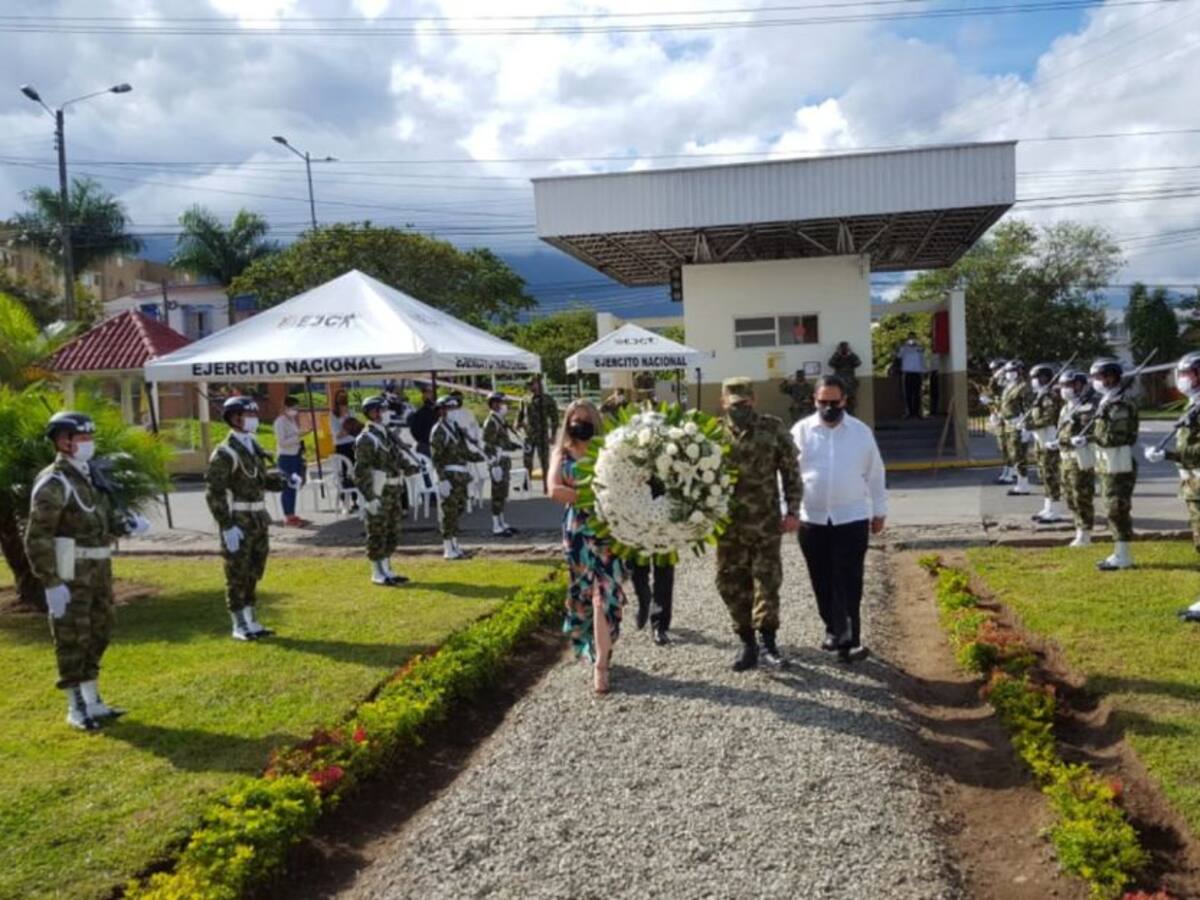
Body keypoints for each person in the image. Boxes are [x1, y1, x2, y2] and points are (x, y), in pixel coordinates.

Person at [24, 411, 151, 730]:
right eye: (82, 438)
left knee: (101, 627)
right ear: (63, 442)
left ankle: (93, 699)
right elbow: (37, 536)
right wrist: (50, 582)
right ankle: (75, 706)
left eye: (90, 438)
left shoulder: (90, 477)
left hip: (98, 566)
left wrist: (128, 525)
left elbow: (101, 520)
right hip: (70, 569)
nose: (89, 444)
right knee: (72, 634)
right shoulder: (54, 482)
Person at [791, 376, 886, 663]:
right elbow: (787, 474)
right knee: (821, 578)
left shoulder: (860, 432)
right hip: (813, 519)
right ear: (814, 401)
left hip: (852, 517)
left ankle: (849, 639)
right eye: (823, 402)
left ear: (845, 400)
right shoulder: (801, 431)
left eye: (834, 402)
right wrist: (788, 510)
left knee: (848, 579)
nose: (829, 407)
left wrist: (879, 510)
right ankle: (833, 630)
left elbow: (876, 473)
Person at [717, 377, 802, 671]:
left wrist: (792, 510)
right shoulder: (711, 435)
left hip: (765, 523)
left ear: (754, 400)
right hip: (727, 527)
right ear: (723, 402)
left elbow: (791, 471)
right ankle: (747, 644)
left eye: (745, 402)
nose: (740, 407)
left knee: (767, 582)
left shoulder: (772, 428)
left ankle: (768, 644)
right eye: (734, 403)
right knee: (730, 583)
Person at [206, 397, 301, 641]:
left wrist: (285, 481)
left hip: (258, 517)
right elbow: (214, 493)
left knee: (254, 570)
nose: (254, 419)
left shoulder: (252, 446)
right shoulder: (225, 453)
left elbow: (262, 481)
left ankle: (251, 619)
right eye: (248, 414)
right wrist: (226, 525)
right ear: (235, 418)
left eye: (253, 414)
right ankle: (238, 624)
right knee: (237, 572)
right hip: (238, 519)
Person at [548, 399, 626, 694]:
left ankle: (601, 667)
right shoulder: (561, 452)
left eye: (585, 418)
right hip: (578, 533)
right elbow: (553, 489)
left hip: (607, 531)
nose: (579, 423)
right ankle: (596, 650)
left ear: (595, 420)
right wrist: (592, 497)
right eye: (574, 418)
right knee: (584, 594)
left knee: (603, 597)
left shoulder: (608, 450)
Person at [1145, 352, 1200, 622]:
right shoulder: (1193, 404)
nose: (1182, 379)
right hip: (1194, 483)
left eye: (1187, 374)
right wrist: (1169, 455)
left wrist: (1170, 454)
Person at [354, 395, 420, 586]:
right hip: (378, 491)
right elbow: (361, 471)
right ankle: (376, 572)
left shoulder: (386, 435)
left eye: (385, 410)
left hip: (393, 490)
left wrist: (414, 469)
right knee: (377, 531)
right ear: (372, 413)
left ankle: (387, 569)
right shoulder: (367, 438)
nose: (385, 413)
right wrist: (369, 497)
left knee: (392, 531)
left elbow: (397, 459)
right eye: (381, 410)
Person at [1081, 358, 1139, 571]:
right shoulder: (1106, 401)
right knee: (1110, 508)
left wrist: (1090, 439)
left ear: (1111, 377)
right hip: (1108, 462)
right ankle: (1119, 552)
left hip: (1119, 462)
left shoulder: (1120, 404)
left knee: (1117, 508)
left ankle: (1123, 555)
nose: (1095, 381)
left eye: (1099, 377)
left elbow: (1117, 436)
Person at [431, 395, 485, 560]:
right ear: (441, 411)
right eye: (449, 408)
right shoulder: (439, 430)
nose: (453, 411)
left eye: (454, 407)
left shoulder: (456, 428)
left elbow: (465, 452)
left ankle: (455, 543)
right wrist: (441, 479)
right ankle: (448, 547)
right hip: (448, 475)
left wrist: (482, 457)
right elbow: (436, 457)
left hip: (461, 475)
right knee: (448, 511)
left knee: (459, 508)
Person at [1056, 370, 1098, 548]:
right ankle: (1078, 528)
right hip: (1065, 457)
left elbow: (1094, 432)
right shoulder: (1067, 406)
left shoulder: (1089, 406)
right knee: (1069, 495)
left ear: (1081, 386)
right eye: (1064, 386)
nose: (1066, 389)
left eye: (1071, 386)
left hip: (1079, 458)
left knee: (1081, 496)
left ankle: (1085, 533)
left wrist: (1083, 439)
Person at [1025, 363, 1066, 524]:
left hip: (1050, 438)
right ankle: (1048, 507)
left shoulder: (1050, 396)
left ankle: (1055, 510)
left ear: (1045, 378)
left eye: (1037, 378)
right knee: (1043, 474)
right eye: (1033, 378)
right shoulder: (1040, 395)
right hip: (1040, 439)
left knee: (1051, 475)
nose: (1034, 381)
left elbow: (1049, 418)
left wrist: (1030, 425)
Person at [482, 392, 523, 537]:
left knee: (503, 492)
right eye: (501, 402)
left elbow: (503, 442)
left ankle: (502, 522)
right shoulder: (491, 422)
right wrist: (493, 464)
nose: (504, 405)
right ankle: (495, 525)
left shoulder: (499, 420)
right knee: (497, 494)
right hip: (497, 461)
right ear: (494, 404)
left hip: (503, 460)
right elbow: (487, 445)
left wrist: (518, 446)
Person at [272, 396, 312, 527]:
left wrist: (301, 435)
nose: (295, 411)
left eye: (296, 408)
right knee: (287, 486)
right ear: (285, 408)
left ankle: (292, 514)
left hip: (295, 456)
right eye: (293, 408)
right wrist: (298, 436)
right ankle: (287, 516)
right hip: (285, 457)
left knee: (294, 485)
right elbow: (282, 442)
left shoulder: (292, 420)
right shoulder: (280, 422)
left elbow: (294, 436)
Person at [519, 376, 560, 493]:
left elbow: (554, 418)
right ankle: (526, 484)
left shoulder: (547, 399)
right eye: (529, 384)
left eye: (533, 384)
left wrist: (553, 435)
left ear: (539, 384)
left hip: (542, 435)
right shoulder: (525, 399)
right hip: (528, 436)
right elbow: (520, 415)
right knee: (527, 460)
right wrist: (517, 423)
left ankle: (547, 485)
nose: (531, 386)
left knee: (544, 461)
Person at [999, 359, 1033, 496]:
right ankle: (1020, 482)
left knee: (1019, 456)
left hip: (1018, 423)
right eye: (1007, 371)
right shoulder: (1008, 386)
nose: (1009, 374)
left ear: (1019, 372)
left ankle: (1023, 484)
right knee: (1013, 454)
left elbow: (1028, 408)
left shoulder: (1023, 387)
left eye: (1012, 371)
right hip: (1008, 424)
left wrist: (1027, 427)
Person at [980, 358, 1013, 484]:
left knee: (1009, 446)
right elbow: (992, 393)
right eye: (993, 370)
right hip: (999, 416)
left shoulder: (1007, 382)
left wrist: (992, 401)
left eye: (996, 369)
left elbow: (1004, 401)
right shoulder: (997, 381)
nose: (994, 372)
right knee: (1002, 446)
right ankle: (1007, 469)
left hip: (1008, 418)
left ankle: (1011, 472)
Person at [329, 389, 361, 511]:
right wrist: (348, 428)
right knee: (344, 474)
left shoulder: (351, 411)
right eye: (340, 398)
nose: (343, 401)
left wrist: (351, 427)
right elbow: (337, 434)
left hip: (352, 444)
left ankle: (355, 500)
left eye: (344, 398)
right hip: (341, 447)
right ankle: (344, 501)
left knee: (354, 472)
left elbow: (357, 428)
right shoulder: (333, 415)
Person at [894, 332, 927, 419]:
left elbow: (923, 360)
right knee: (908, 394)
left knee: (917, 394)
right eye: (910, 338)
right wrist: (903, 346)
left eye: (913, 338)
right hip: (908, 373)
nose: (912, 340)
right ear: (907, 338)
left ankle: (917, 412)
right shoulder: (904, 348)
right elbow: (898, 356)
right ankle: (909, 412)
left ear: (916, 338)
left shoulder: (919, 348)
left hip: (917, 373)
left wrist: (924, 371)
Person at [828, 342, 862, 412]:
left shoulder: (851, 357)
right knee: (838, 405)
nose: (844, 350)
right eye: (842, 348)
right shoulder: (837, 357)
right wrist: (838, 354)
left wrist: (850, 354)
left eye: (845, 348)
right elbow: (830, 363)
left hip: (850, 385)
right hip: (839, 384)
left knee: (851, 405)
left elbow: (858, 363)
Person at [407, 385, 437, 458]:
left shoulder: (438, 410)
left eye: (430, 392)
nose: (429, 395)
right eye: (427, 393)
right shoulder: (420, 412)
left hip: (435, 444)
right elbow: (414, 429)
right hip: (425, 444)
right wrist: (422, 440)